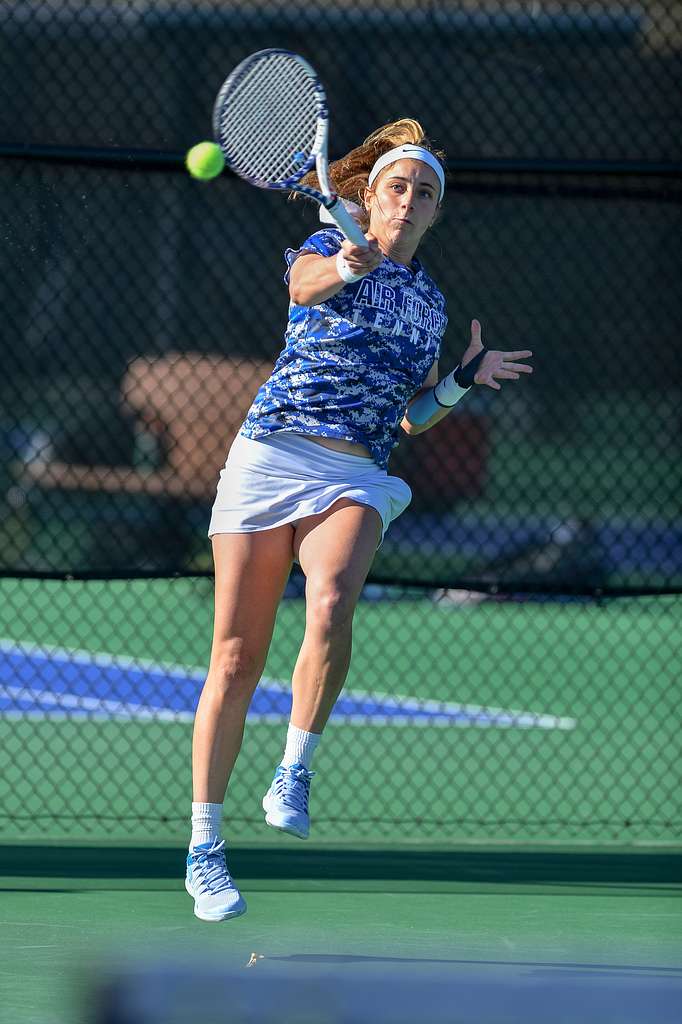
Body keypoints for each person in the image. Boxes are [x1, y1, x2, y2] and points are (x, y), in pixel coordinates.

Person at [185, 118, 533, 922]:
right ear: (368, 199)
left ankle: (294, 768)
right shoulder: (323, 247)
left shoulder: (430, 306)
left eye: (425, 194)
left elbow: (410, 420)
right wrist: (346, 262)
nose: (409, 202)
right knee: (235, 658)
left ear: (435, 214)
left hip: (355, 472)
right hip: (270, 455)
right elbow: (302, 289)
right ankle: (206, 848)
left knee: (334, 597)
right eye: (397, 188)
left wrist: (463, 381)